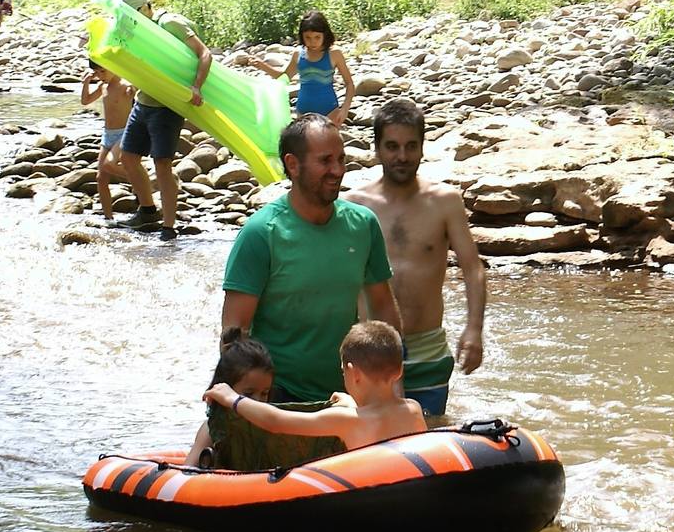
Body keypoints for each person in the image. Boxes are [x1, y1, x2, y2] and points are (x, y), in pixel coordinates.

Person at [220, 115, 403, 404]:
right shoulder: (261, 233)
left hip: (345, 396)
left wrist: (392, 389)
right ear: (293, 165)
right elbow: (234, 334)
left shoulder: (363, 224)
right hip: (279, 398)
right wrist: (241, 409)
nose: (338, 170)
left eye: (341, 159)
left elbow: (383, 308)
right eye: (326, 161)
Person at [344, 96, 487, 416]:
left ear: (423, 147)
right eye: (392, 146)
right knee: (372, 443)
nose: (402, 156)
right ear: (377, 149)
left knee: (431, 432)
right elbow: (338, 277)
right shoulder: (355, 206)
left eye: (411, 146)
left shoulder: (445, 202)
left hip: (428, 347)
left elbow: (472, 269)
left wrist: (474, 328)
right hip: (371, 348)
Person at [208, 320, 425, 452]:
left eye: (343, 371)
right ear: (399, 371)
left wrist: (232, 398)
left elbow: (276, 421)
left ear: (354, 373)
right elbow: (375, 419)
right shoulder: (413, 410)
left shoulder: (344, 421)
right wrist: (350, 403)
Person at [117, 0, 208, 240]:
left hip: (168, 105)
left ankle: (169, 227)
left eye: (133, 16)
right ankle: (147, 211)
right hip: (143, 101)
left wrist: (197, 86)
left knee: (162, 165)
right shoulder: (138, 30)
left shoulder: (170, 23)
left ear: (146, 8)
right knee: (128, 157)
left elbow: (204, 54)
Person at [186, 326, 277, 468]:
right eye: (248, 394)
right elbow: (187, 474)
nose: (258, 401)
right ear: (224, 390)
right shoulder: (211, 430)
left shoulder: (271, 426)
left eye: (264, 393)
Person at [79, 61, 154, 225]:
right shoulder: (102, 87)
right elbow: (85, 101)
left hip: (124, 133)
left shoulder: (126, 85)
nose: (100, 76)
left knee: (109, 164)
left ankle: (143, 184)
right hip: (108, 135)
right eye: (97, 73)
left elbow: (138, 91)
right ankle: (108, 219)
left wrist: (134, 89)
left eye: (103, 71)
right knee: (101, 178)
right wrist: (86, 83)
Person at [250, 10, 355, 126]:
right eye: (308, 38)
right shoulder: (298, 54)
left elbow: (349, 83)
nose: (313, 42)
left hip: (330, 111)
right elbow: (284, 77)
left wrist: (345, 108)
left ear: (325, 34)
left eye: (317, 37)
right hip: (303, 111)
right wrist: (262, 66)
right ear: (302, 36)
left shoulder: (334, 54)